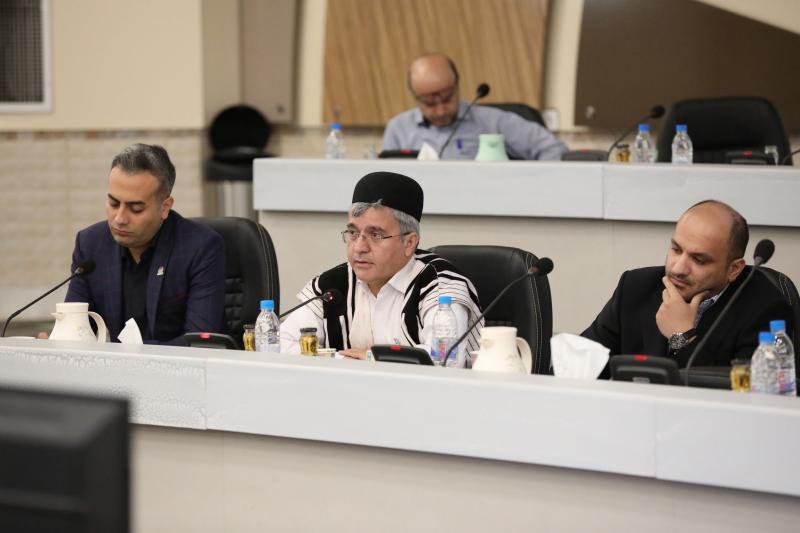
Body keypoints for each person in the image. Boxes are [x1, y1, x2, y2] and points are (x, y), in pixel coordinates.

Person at [281, 171, 483, 360]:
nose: (359, 247)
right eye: (353, 233)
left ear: (409, 243)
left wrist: (371, 358)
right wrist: (344, 360)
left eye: (376, 235)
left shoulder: (441, 286)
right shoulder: (331, 288)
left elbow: (444, 358)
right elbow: (278, 343)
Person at [582, 200, 793, 375]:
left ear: (734, 269)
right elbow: (579, 365)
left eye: (699, 260)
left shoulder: (766, 310)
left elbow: (743, 396)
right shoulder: (635, 287)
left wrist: (682, 336)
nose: (678, 268)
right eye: (676, 249)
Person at [64, 143, 225, 345]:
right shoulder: (90, 245)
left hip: (174, 366)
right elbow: (75, 329)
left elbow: (200, 341)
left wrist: (126, 355)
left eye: (136, 209)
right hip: (109, 365)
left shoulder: (201, 247)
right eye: (113, 203)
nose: (119, 218)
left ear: (165, 207)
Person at [381, 53, 567, 161]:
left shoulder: (494, 121)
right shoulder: (398, 129)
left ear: (457, 86)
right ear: (415, 97)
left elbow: (554, 149)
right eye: (430, 103)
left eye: (447, 98)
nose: (441, 110)